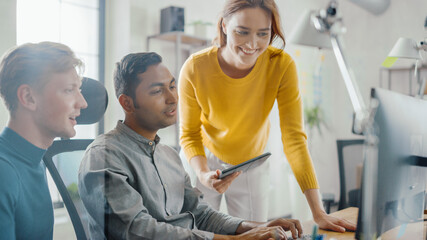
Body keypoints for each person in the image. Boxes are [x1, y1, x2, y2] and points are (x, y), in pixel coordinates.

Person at [78, 52, 304, 240]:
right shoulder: (104, 156)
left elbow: (200, 214)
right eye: (157, 91)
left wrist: (253, 227)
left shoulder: (169, 155)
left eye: (172, 86)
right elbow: (136, 230)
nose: (172, 98)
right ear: (127, 103)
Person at [178, 0, 356, 232]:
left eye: (263, 34)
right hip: (203, 160)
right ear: (223, 25)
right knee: (197, 232)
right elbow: (190, 134)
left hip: (251, 163)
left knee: (255, 235)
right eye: (242, 32)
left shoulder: (281, 66)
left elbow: (294, 139)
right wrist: (203, 174)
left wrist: (318, 212)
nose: (253, 44)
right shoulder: (195, 67)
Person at [0, 42, 88, 239]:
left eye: (79, 89)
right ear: (29, 97)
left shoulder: (35, 159)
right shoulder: (3, 172)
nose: (83, 103)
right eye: (69, 90)